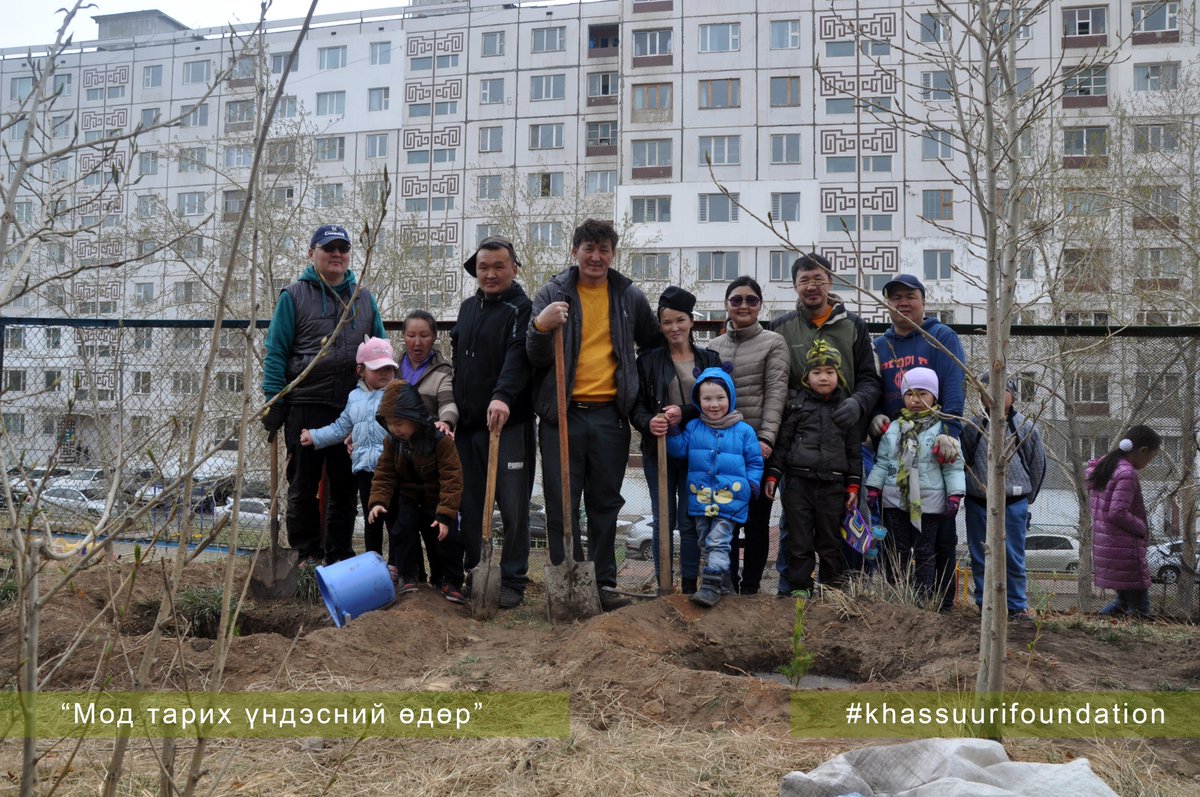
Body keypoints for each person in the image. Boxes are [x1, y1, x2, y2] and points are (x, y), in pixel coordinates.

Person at [526, 218, 659, 612]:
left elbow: (652, 345)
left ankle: (603, 584)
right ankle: (566, 581)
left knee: (605, 504)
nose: (596, 257)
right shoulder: (553, 293)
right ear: (575, 252)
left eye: (604, 250)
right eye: (589, 249)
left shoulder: (628, 296)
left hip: (610, 418)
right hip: (561, 417)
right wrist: (540, 325)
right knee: (560, 502)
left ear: (613, 254)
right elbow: (532, 355)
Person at [261, 224, 386, 566]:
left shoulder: (362, 297)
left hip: (351, 407)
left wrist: (386, 397)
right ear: (311, 253)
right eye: (328, 247)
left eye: (342, 249)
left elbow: (379, 349)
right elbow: (276, 351)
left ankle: (339, 552)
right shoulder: (295, 295)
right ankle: (306, 552)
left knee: (346, 485)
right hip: (306, 403)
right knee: (303, 483)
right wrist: (274, 399)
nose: (336, 254)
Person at [771, 252, 881, 594]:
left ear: (830, 282)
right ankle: (791, 591)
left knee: (845, 523)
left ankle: (843, 591)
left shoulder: (853, 325)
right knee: (795, 526)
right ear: (794, 286)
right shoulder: (782, 327)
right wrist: (791, 404)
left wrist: (858, 403)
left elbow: (870, 379)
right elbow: (774, 377)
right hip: (799, 445)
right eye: (804, 280)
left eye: (818, 279)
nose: (811, 286)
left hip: (844, 442)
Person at [871, 274, 965, 611]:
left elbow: (954, 384)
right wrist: (877, 418)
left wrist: (949, 432)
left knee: (938, 537)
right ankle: (899, 601)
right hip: (896, 448)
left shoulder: (940, 337)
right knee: (896, 536)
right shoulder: (882, 345)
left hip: (934, 445)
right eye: (895, 298)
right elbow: (876, 390)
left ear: (923, 301)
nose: (903, 303)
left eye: (910, 296)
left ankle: (940, 605)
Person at [451, 236, 535, 609]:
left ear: (514, 269)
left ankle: (513, 579)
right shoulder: (468, 308)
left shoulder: (522, 309)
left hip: (509, 426)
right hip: (469, 427)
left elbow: (519, 357)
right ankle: (478, 570)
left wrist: (502, 396)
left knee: (513, 505)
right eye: (483, 267)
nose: (490, 273)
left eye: (499, 266)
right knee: (470, 504)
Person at [630, 286, 719, 594]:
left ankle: (690, 585)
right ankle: (663, 584)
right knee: (663, 518)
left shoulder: (710, 359)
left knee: (692, 518)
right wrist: (648, 422)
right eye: (666, 322)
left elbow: (720, 402)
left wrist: (683, 411)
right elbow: (636, 404)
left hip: (700, 452)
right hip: (660, 451)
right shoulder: (648, 360)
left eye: (680, 320)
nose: (674, 328)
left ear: (691, 321)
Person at [707, 276, 788, 595]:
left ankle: (751, 587)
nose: (743, 305)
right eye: (736, 299)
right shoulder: (713, 347)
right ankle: (727, 584)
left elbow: (776, 392)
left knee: (756, 522)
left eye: (751, 300)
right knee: (723, 518)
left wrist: (766, 439)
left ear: (760, 306)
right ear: (727, 305)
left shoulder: (773, 342)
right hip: (721, 450)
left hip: (757, 450)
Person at [765, 340, 862, 598]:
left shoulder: (846, 410)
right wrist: (774, 475)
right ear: (807, 377)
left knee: (830, 541)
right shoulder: (796, 406)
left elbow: (854, 452)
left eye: (829, 372)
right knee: (799, 540)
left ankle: (831, 590)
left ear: (838, 376)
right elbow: (783, 445)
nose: (823, 377)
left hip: (833, 486)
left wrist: (853, 486)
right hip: (798, 484)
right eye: (817, 372)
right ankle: (800, 589)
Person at [865, 368, 966, 604]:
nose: (916, 400)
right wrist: (874, 488)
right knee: (897, 550)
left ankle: (922, 598)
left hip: (929, 503)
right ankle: (896, 595)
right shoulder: (894, 429)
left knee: (925, 552)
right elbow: (882, 462)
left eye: (923, 394)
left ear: (934, 397)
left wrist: (954, 495)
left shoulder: (943, 430)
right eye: (910, 394)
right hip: (894, 500)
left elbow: (953, 467)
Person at [666, 366, 763, 607]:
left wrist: (751, 484)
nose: (714, 404)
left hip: (730, 498)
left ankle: (709, 588)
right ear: (698, 401)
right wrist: (672, 429)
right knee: (705, 541)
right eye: (707, 398)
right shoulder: (694, 428)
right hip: (700, 498)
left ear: (730, 398)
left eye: (720, 398)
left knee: (718, 540)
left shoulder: (744, 431)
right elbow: (679, 451)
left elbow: (754, 461)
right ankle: (725, 585)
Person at [299, 336, 398, 562]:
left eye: (388, 368)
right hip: (364, 469)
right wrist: (315, 436)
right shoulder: (354, 398)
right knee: (372, 519)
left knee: (394, 520)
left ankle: (397, 566)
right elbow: (341, 427)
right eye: (377, 369)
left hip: (392, 470)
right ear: (360, 370)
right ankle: (374, 562)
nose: (384, 374)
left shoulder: (397, 393)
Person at [367, 382, 465, 602]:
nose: (394, 429)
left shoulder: (440, 441)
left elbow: (452, 478)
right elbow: (384, 473)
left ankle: (449, 581)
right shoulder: (392, 442)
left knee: (445, 538)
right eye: (390, 424)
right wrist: (378, 501)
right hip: (410, 498)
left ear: (415, 417)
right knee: (402, 532)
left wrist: (445, 514)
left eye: (399, 423)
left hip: (438, 500)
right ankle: (407, 576)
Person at [961, 374, 1046, 622]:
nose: (995, 396)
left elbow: (1037, 463)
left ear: (1013, 395)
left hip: (1013, 503)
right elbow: (965, 461)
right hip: (979, 502)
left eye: (1002, 390)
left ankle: (1016, 605)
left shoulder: (1024, 427)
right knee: (980, 554)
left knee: (1013, 555)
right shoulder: (973, 427)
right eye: (988, 391)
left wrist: (1028, 498)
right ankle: (984, 603)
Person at [398, 309, 458, 588]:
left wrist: (445, 422)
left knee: (435, 521)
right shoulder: (393, 370)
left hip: (430, 458)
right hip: (400, 456)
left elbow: (448, 402)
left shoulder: (442, 372)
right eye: (411, 335)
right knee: (403, 522)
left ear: (434, 337)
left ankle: (443, 578)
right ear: (404, 337)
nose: (417, 342)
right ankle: (410, 575)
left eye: (424, 335)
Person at [1088, 426, 1161, 620]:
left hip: (1109, 546)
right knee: (1139, 609)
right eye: (1151, 457)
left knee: (1123, 603)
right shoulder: (1126, 474)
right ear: (1143, 451)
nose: (1148, 462)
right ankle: (1138, 643)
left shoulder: (1106, 465)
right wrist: (1141, 528)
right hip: (1125, 550)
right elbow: (1118, 512)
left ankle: (1095, 625)